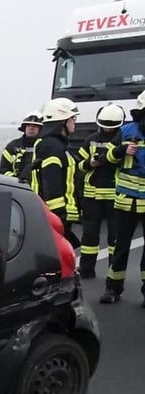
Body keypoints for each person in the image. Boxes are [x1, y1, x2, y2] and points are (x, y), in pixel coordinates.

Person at [100, 90, 145, 304]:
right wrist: (120, 150)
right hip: (125, 201)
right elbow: (106, 158)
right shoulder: (126, 132)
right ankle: (113, 288)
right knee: (120, 247)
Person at [76, 104, 124, 278]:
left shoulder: (123, 140)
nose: (108, 129)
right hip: (92, 195)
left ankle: (114, 270)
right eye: (105, 125)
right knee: (89, 235)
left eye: (111, 126)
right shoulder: (91, 139)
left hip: (115, 195)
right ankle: (86, 269)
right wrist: (89, 163)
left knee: (115, 236)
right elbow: (79, 165)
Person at [31, 97, 81, 248]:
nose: (74, 122)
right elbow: (51, 180)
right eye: (72, 118)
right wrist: (59, 214)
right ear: (63, 121)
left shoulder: (54, 144)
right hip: (56, 214)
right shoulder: (52, 146)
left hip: (56, 213)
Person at [0, 110, 42, 182]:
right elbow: (3, 169)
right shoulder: (12, 146)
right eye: (28, 125)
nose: (31, 128)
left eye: (35, 126)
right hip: (18, 186)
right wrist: (15, 179)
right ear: (24, 128)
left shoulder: (45, 146)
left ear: (41, 129)